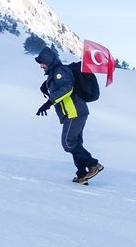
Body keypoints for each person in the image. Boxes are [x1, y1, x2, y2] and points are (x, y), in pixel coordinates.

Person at [35, 47, 103, 184]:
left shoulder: (59, 71)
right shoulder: (56, 73)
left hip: (74, 112)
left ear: (48, 61)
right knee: (75, 144)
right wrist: (47, 86)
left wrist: (48, 103)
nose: (41, 66)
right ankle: (82, 174)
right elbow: (61, 85)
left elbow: (67, 88)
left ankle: (93, 164)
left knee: (68, 143)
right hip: (75, 112)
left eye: (42, 63)